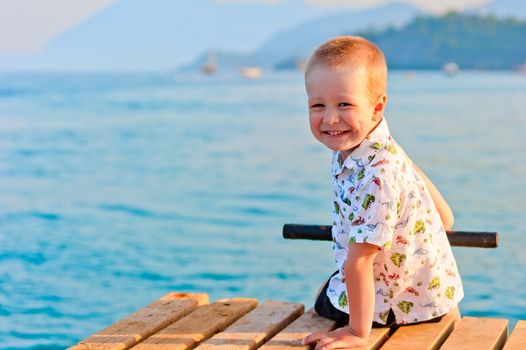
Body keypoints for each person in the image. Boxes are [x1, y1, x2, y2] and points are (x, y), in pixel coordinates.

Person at [302, 36, 464, 349]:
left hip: (396, 305)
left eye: (344, 104)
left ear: (377, 108)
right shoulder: (383, 146)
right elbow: (445, 219)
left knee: (323, 293)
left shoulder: (376, 176)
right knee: (336, 281)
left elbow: (359, 263)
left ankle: (361, 325)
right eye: (318, 105)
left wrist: (356, 333)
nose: (330, 119)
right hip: (433, 295)